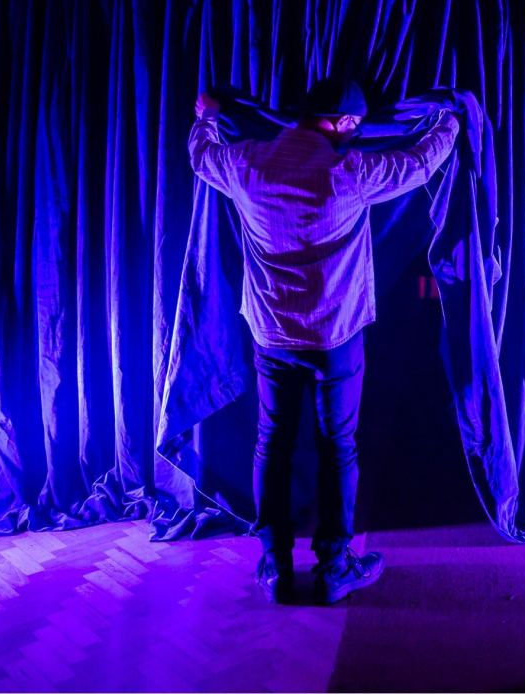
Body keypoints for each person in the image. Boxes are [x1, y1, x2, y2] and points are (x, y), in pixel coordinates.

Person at [188, 77, 460, 605]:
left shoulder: (248, 163)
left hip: (273, 336)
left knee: (273, 442)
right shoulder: (351, 170)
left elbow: (201, 155)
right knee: (338, 447)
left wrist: (205, 115)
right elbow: (422, 163)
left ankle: (274, 564)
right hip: (336, 336)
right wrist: (450, 122)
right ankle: (336, 567)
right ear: (339, 124)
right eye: (353, 126)